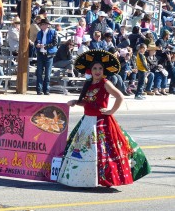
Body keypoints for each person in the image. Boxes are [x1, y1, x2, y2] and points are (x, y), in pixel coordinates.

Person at [57, 49, 151, 187]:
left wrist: (111, 110)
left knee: (102, 152)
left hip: (101, 122)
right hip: (87, 121)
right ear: (90, 70)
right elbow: (87, 102)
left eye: (100, 68)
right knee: (83, 151)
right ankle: (84, 179)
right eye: (95, 68)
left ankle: (103, 179)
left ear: (103, 70)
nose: (97, 71)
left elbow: (119, 96)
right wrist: (75, 102)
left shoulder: (105, 83)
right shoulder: (88, 84)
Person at [35, 18, 58, 95]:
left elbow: (55, 43)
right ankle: (39, 89)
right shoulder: (39, 33)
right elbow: (36, 42)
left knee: (47, 74)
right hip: (41, 54)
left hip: (49, 55)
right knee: (39, 73)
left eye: (42, 24)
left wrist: (45, 46)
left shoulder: (53, 32)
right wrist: (37, 45)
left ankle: (46, 89)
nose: (41, 26)